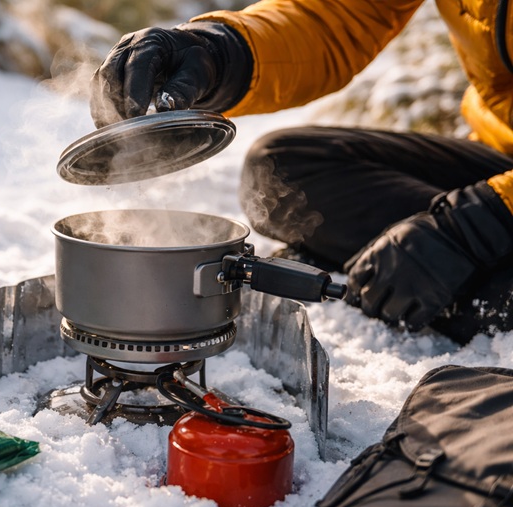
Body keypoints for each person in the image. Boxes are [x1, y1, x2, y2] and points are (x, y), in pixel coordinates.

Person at [88, 0, 513, 344]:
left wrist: (476, 225)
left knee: (477, 277)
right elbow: (340, 15)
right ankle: (434, 275)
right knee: (279, 169)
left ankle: (456, 289)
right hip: (499, 156)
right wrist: (217, 51)